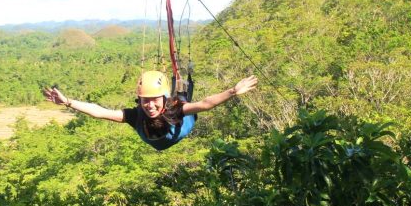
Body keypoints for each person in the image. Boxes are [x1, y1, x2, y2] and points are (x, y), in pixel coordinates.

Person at [43, 71, 258, 151]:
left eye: (155, 101)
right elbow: (100, 111)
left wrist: (233, 91)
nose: (150, 106)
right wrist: (68, 102)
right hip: (164, 137)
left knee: (184, 99)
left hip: (181, 123)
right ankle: (180, 85)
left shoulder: (175, 110)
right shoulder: (137, 115)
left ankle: (181, 85)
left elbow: (205, 104)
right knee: (180, 97)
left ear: (163, 99)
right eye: (145, 101)